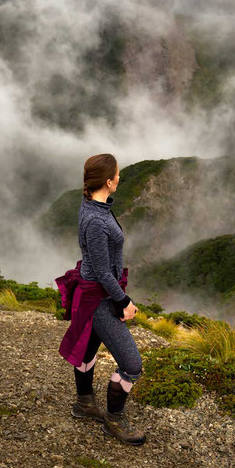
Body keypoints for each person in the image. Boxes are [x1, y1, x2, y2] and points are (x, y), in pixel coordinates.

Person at [56, 153, 146, 445]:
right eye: (117, 174)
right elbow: (103, 272)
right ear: (108, 181)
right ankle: (114, 421)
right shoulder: (95, 220)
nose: (120, 177)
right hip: (99, 299)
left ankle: (84, 404)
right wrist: (124, 302)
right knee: (132, 365)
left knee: (87, 350)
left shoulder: (94, 205)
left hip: (94, 294)